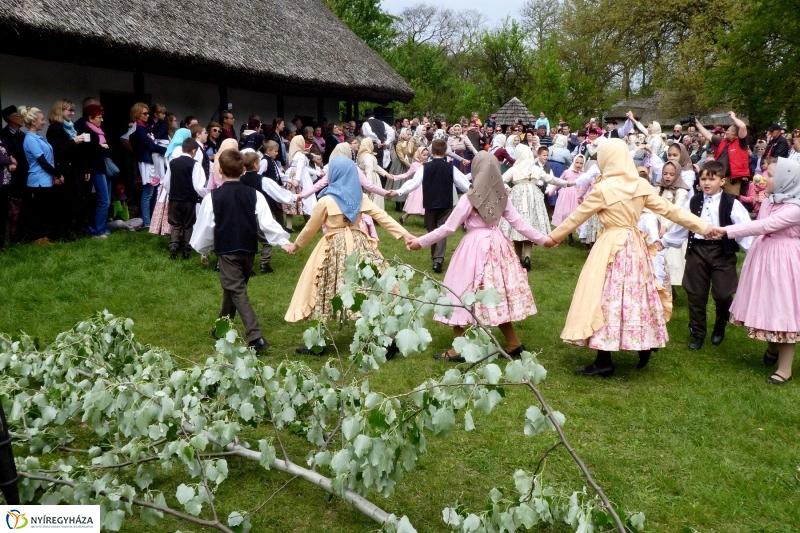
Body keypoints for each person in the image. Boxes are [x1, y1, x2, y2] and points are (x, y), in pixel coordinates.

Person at [545, 139, 710, 376]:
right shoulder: (640, 185)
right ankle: (644, 342)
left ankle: (604, 360)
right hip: (634, 245)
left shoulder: (602, 189)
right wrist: (704, 227)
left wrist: (553, 237)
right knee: (637, 294)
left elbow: (576, 217)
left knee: (605, 297)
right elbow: (672, 210)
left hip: (611, 244)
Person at [407, 152, 548, 361]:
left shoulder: (470, 198)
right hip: (498, 247)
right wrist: (545, 240)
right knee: (493, 294)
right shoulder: (502, 197)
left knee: (459, 292)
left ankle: (459, 348)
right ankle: (513, 343)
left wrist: (421, 241)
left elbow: (448, 227)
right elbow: (520, 224)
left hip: (474, 248)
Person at [283, 157, 412, 350]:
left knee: (324, 287)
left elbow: (310, 228)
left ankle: (318, 342)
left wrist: (296, 245)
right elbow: (383, 218)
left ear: (334, 174)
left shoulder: (326, 200)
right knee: (368, 287)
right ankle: (387, 338)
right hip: (360, 245)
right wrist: (405, 235)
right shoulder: (360, 197)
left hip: (333, 247)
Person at [707, 158, 800, 384]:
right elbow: (760, 223)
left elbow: (763, 226)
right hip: (764, 258)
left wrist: (726, 230)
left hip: (785, 261)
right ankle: (772, 346)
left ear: (786, 180)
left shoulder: (795, 209)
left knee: (783, 308)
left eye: (770, 175)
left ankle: (785, 368)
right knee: (767, 302)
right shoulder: (769, 201)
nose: (763, 178)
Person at [191, 149, 289, 354]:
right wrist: (282, 240)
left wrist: (204, 250)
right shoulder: (255, 195)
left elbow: (207, 228)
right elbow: (267, 223)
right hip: (248, 251)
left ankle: (255, 337)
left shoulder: (212, 198)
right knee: (233, 289)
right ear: (243, 170)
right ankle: (221, 329)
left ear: (219, 171)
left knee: (236, 291)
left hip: (227, 250)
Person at [659, 161, 752, 350]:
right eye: (703, 179)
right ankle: (697, 332)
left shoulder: (731, 202)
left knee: (724, 294)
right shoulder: (693, 201)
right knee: (696, 294)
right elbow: (683, 225)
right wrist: (664, 242)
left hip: (722, 252)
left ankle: (720, 324)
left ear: (722, 180)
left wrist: (753, 249)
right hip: (697, 250)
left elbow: (744, 229)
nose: (707, 183)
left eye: (712, 179)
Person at [389, 139, 472, 273]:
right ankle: (436, 258)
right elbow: (463, 184)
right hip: (445, 203)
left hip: (430, 203)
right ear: (445, 152)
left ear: (432, 151)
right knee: (439, 231)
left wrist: (398, 191)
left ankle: (437, 259)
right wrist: (477, 192)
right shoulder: (451, 167)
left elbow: (413, 183)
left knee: (434, 230)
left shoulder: (424, 167)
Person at [240, 151, 299, 273]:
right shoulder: (263, 180)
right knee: (266, 240)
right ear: (256, 165)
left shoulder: (239, 179)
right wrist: (294, 197)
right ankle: (264, 264)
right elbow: (278, 193)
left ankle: (248, 267)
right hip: (259, 213)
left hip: (242, 214)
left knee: (246, 239)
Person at [20, 106, 64, 243]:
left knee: (45, 210)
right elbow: (43, 163)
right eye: (42, 119)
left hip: (45, 180)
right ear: (33, 122)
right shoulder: (30, 140)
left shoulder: (38, 137)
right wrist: (58, 174)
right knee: (39, 211)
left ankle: (43, 237)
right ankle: (38, 238)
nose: (44, 122)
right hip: (38, 180)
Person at [46, 99, 87, 239]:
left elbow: (77, 151)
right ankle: (62, 234)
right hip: (63, 169)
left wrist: (85, 168)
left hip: (74, 169)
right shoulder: (54, 128)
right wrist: (74, 141)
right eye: (69, 110)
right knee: (64, 202)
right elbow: (57, 150)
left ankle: (71, 231)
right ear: (60, 110)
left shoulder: (71, 127)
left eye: (73, 110)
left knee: (74, 201)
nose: (72, 113)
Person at [161, 137, 208, 259]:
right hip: (189, 199)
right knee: (188, 224)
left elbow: (167, 182)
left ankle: (173, 245)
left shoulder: (173, 163)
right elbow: (198, 185)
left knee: (176, 224)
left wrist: (171, 194)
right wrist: (206, 195)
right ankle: (186, 250)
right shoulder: (195, 164)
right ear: (193, 151)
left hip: (174, 198)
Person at [653, 160, 690, 291]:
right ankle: (659, 284)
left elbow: (676, 210)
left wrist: (666, 226)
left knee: (672, 260)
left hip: (672, 227)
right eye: (665, 173)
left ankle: (670, 288)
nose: (667, 177)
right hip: (657, 224)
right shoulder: (658, 189)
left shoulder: (681, 192)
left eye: (671, 174)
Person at [129, 103, 166, 228]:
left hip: (150, 161)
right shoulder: (139, 130)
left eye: (148, 113)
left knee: (154, 192)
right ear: (137, 114)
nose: (147, 115)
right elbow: (150, 146)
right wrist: (167, 150)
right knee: (148, 192)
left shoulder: (144, 128)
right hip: (146, 162)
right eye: (144, 113)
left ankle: (152, 221)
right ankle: (147, 223)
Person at [77, 104, 112, 238]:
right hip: (95, 169)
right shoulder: (86, 131)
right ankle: (97, 230)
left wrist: (102, 147)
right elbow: (90, 150)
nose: (101, 120)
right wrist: (102, 147)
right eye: (99, 117)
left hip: (101, 168)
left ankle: (101, 227)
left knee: (105, 199)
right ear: (90, 118)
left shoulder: (98, 131)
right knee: (104, 199)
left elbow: (100, 148)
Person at [694, 112, 749, 195]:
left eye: (728, 130)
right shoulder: (723, 141)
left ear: (734, 133)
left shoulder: (741, 142)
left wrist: (733, 117)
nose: (726, 132)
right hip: (718, 177)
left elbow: (743, 126)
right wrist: (697, 123)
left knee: (730, 203)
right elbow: (708, 135)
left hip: (732, 180)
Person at [550, 154, 585, 245]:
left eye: (581, 163)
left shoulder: (583, 174)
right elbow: (559, 182)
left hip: (576, 196)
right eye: (577, 162)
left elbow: (585, 186)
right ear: (574, 162)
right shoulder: (567, 172)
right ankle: (563, 236)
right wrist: (552, 191)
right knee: (565, 214)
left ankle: (571, 235)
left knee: (572, 215)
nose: (578, 165)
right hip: (565, 196)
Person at [357, 138, 392, 209]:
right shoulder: (368, 157)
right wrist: (370, 186)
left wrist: (386, 174)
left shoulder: (363, 155)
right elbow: (369, 171)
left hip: (365, 177)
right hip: (372, 178)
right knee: (374, 198)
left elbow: (375, 166)